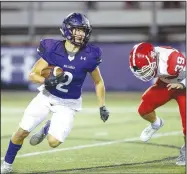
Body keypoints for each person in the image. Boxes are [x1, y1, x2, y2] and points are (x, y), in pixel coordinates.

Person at [1, 12, 110, 173]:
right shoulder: (52, 48)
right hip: (46, 97)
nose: (81, 34)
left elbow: (98, 81)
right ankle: (7, 165)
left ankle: (48, 128)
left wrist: (102, 106)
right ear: (67, 30)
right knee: (21, 132)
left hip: (68, 103)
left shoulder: (90, 55)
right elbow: (33, 74)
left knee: (53, 142)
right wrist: (46, 81)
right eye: (77, 29)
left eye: (83, 30)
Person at [129, 42, 186, 166]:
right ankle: (156, 123)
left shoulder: (172, 60)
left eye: (145, 69)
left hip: (183, 85)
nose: (143, 73)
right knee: (144, 109)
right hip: (166, 83)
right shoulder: (150, 57)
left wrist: (182, 84)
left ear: (154, 59)